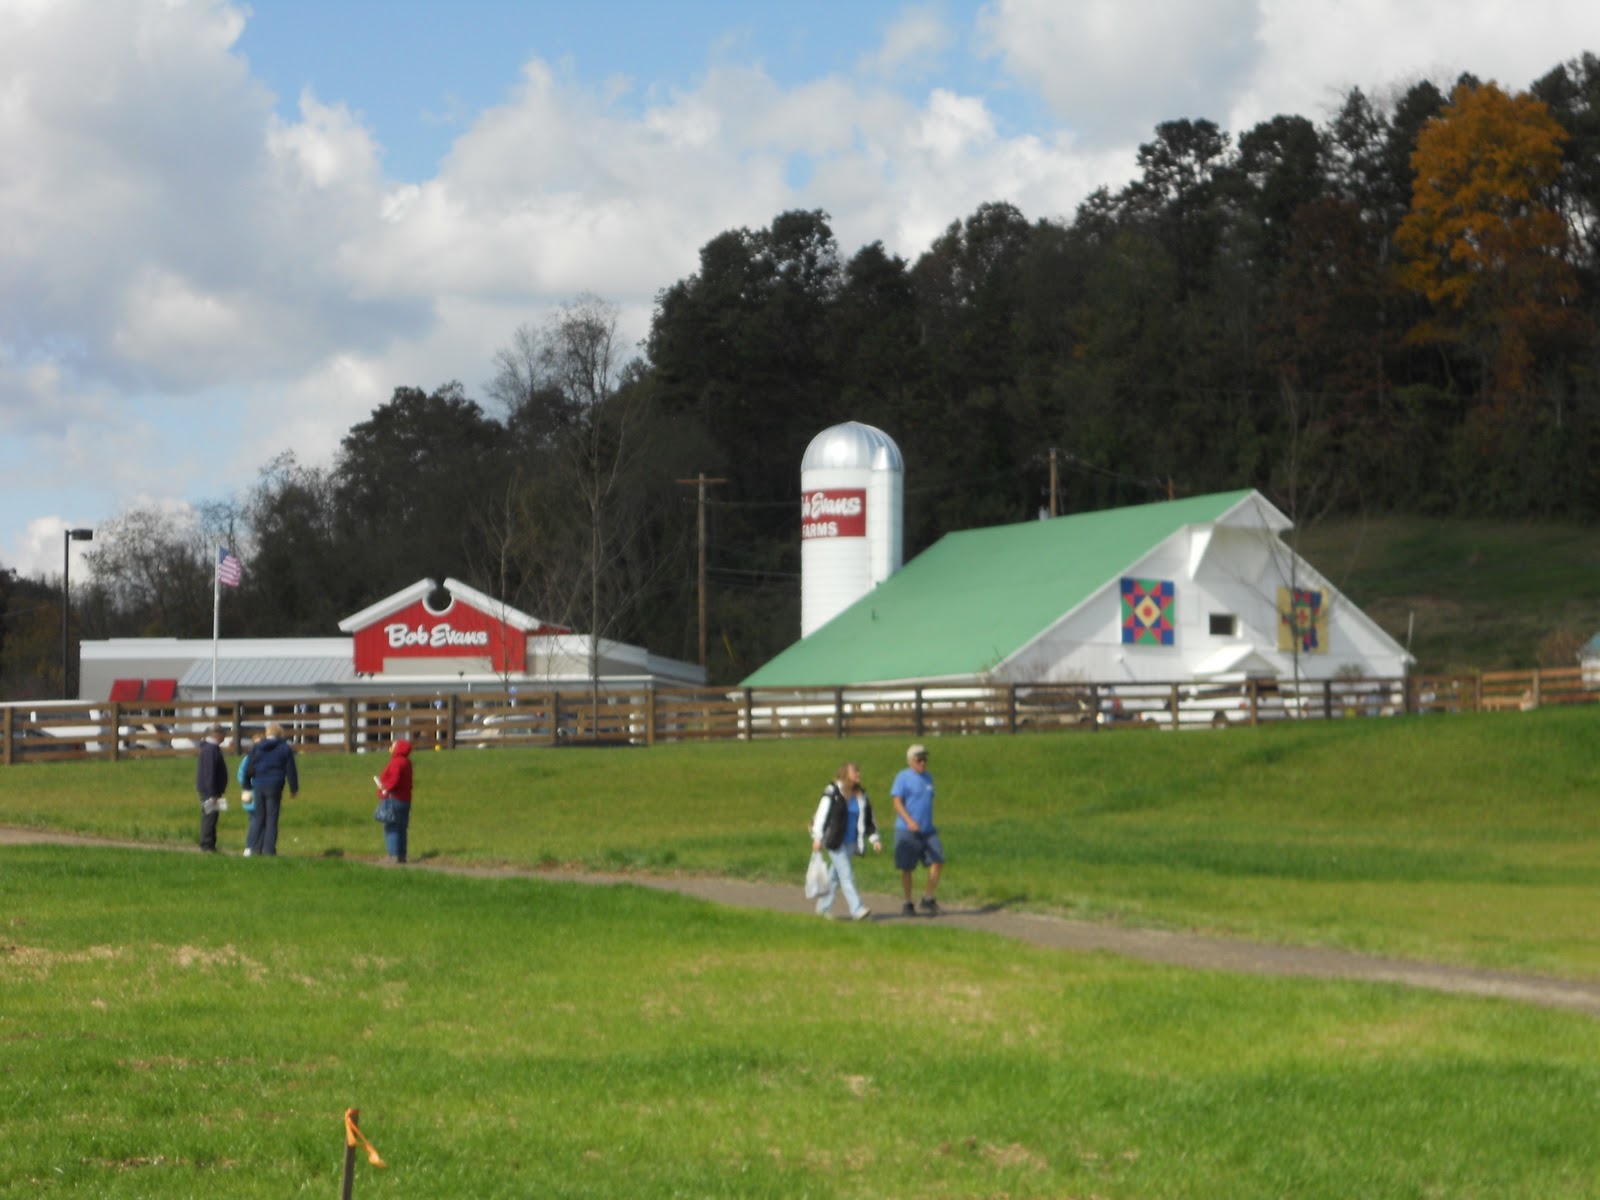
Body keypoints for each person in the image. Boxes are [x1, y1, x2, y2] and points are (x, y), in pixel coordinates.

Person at [809, 760, 882, 920]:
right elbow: (821, 815)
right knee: (846, 875)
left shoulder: (861, 796)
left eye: (858, 771)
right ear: (845, 774)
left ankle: (822, 908)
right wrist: (817, 837)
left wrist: (874, 838)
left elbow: (869, 819)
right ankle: (857, 909)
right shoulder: (833, 793)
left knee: (834, 877)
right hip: (835, 841)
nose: (858, 774)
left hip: (850, 842)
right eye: (854, 771)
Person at [890, 743, 943, 917]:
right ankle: (907, 902)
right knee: (907, 868)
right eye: (919, 759)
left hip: (927, 829)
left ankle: (928, 897)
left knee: (938, 860)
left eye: (924, 759)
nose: (923, 763)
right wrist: (909, 821)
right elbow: (897, 802)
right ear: (911, 761)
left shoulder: (928, 778)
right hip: (907, 830)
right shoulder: (903, 777)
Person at [243, 721, 299, 857]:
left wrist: (246, 785)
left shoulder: (256, 747)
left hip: (258, 784)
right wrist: (294, 788)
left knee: (259, 817)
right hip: (275, 785)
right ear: (280, 734)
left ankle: (255, 848)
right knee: (272, 818)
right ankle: (268, 850)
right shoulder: (284, 748)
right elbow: (290, 769)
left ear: (267, 733)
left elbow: (249, 767)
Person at [375, 738, 414, 865]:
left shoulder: (396, 763)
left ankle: (393, 855)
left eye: (392, 746)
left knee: (391, 827)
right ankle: (401, 854)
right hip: (405, 799)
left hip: (393, 798)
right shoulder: (407, 762)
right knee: (402, 827)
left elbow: (394, 779)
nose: (390, 748)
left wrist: (384, 786)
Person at [194, 725, 229, 852]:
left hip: (212, 790)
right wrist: (212, 793)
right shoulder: (211, 749)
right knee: (209, 817)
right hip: (210, 791)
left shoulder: (211, 748)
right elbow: (209, 772)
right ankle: (206, 844)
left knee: (212, 816)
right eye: (223, 733)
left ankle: (210, 843)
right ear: (216, 734)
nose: (225, 736)